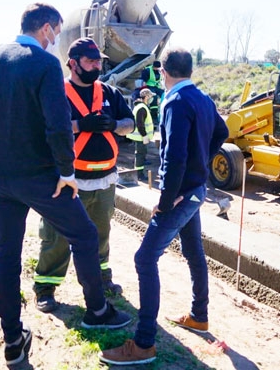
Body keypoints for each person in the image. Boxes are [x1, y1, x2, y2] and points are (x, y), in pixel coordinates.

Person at [0, 3, 132, 367]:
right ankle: (97, 312)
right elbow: (57, 126)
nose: (56, 38)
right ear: (45, 29)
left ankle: (13, 340)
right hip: (42, 178)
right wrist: (66, 173)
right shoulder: (43, 64)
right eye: (56, 31)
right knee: (85, 236)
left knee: (6, 256)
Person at [99, 48, 228, 366]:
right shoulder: (202, 98)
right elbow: (222, 133)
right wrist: (202, 165)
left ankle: (144, 344)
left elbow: (174, 158)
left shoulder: (174, 101)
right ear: (190, 70)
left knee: (144, 259)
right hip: (196, 189)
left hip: (183, 193)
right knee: (194, 252)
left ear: (162, 70)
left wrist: (166, 199)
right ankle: (199, 316)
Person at [32, 37, 135, 313]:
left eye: (98, 61)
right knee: (57, 236)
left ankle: (101, 277)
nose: (96, 65)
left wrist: (114, 124)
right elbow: (45, 129)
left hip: (104, 181)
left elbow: (130, 124)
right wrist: (80, 125)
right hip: (68, 181)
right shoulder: (57, 93)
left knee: (101, 232)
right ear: (73, 64)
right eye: (90, 61)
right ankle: (45, 287)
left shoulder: (110, 93)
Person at [127, 87, 155, 182]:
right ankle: (139, 175)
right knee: (140, 155)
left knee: (141, 155)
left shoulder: (140, 107)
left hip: (139, 136)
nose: (151, 98)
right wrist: (144, 136)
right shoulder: (142, 108)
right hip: (140, 137)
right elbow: (140, 124)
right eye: (150, 96)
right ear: (146, 97)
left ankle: (139, 173)